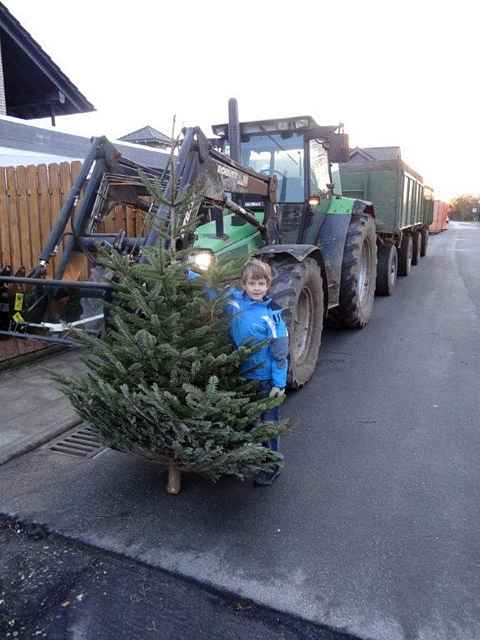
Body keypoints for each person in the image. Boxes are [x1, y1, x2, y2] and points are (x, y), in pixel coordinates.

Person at [225, 259, 289, 486]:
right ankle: (245, 460)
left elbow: (280, 353)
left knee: (268, 425)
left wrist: (279, 384)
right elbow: (211, 293)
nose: (256, 288)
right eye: (252, 283)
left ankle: (271, 466)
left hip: (265, 381)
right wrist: (189, 272)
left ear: (268, 285)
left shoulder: (272, 314)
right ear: (244, 284)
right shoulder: (233, 303)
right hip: (243, 376)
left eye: (261, 283)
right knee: (246, 422)